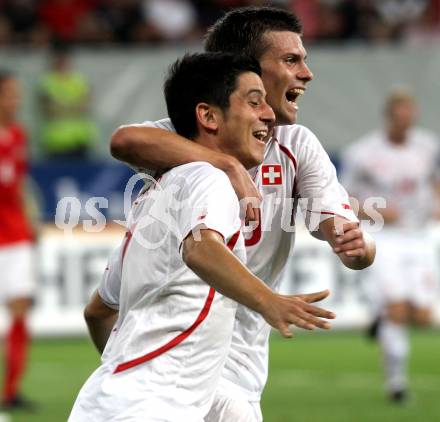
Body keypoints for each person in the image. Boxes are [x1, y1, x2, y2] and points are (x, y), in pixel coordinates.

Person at [107, 6, 376, 420]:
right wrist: (227, 165)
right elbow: (125, 141)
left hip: (231, 367)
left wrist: (355, 244)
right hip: (193, 363)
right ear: (246, 70)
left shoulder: (295, 145)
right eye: (291, 60)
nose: (307, 73)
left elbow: (335, 222)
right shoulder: (194, 134)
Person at [69, 52, 337, 421]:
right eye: (254, 101)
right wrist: (268, 301)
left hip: (109, 403)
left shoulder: (157, 199)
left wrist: (134, 375)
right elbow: (200, 249)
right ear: (208, 116)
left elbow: (98, 312)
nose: (269, 114)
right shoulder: (207, 178)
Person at [340, 89, 440, 403]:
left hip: (420, 236)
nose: (404, 123)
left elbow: (434, 183)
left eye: (408, 116)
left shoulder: (428, 147)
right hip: (383, 237)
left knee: (423, 317)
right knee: (397, 309)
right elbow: (343, 201)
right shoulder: (363, 153)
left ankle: (379, 317)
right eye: (398, 117)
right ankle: (396, 385)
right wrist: (376, 209)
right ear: (389, 117)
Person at [0, 70, 36, 410]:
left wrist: (29, 217)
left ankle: (10, 391)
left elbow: (21, 182)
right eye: (10, 93)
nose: (16, 100)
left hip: (15, 235)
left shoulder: (17, 134)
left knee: (20, 309)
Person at [38, 44, 97, 160]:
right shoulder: (47, 81)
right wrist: (74, 105)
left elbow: (86, 106)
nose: (63, 62)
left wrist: (62, 105)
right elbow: (50, 110)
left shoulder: (79, 79)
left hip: (80, 139)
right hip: (56, 141)